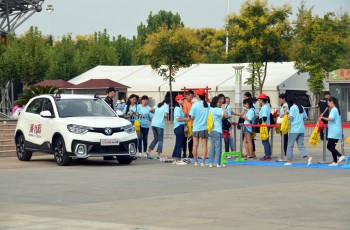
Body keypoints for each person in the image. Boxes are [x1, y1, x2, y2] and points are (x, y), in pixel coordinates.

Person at [284, 94, 312, 166]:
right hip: (301, 129)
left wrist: (286, 115)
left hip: (294, 129)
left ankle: (289, 161)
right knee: (300, 145)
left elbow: (291, 118)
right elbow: (305, 117)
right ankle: (308, 156)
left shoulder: (292, 108)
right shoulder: (301, 107)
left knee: (290, 145)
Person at [320, 97, 346, 166]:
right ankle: (335, 162)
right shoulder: (336, 109)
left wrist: (322, 117)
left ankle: (340, 155)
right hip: (336, 131)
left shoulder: (334, 110)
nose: (328, 104)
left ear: (331, 102)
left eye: (328, 103)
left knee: (329, 146)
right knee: (332, 147)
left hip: (334, 132)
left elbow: (331, 119)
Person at [189, 88, 210, 166]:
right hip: (205, 128)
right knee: (204, 145)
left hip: (196, 127)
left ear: (198, 96)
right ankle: (203, 162)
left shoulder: (194, 105)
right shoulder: (208, 105)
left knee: (195, 145)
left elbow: (191, 117)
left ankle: (196, 161)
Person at [209, 96, 227, 168]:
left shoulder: (211, 109)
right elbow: (225, 115)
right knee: (218, 147)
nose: (220, 104)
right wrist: (223, 107)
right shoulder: (217, 109)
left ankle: (211, 162)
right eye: (219, 102)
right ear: (215, 102)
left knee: (212, 146)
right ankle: (218, 163)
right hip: (217, 130)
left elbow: (221, 117)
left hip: (211, 129)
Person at [172, 95, 190, 164]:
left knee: (178, 142)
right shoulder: (177, 108)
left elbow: (181, 117)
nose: (183, 100)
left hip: (179, 127)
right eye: (181, 99)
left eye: (183, 99)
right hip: (179, 127)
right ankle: (178, 157)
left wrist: (186, 114)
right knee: (179, 143)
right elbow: (178, 119)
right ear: (177, 100)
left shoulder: (180, 108)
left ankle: (175, 155)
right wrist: (186, 119)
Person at [257, 93, 272, 161]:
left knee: (264, 140)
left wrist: (258, 120)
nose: (258, 101)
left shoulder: (265, 107)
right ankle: (268, 154)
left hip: (264, 126)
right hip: (265, 125)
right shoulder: (266, 106)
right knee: (265, 140)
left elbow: (264, 117)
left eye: (259, 99)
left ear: (261, 100)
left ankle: (267, 155)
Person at [182, 90, 194, 158]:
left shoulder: (193, 103)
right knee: (184, 139)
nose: (191, 98)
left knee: (191, 140)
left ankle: (190, 153)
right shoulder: (183, 103)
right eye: (190, 96)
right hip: (185, 123)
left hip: (192, 124)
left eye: (192, 97)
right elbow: (182, 114)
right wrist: (188, 113)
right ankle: (184, 153)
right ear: (186, 96)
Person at [278, 93, 289, 160]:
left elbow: (287, 112)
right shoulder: (284, 105)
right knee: (284, 139)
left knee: (284, 139)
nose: (279, 100)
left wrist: (281, 115)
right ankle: (285, 154)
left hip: (284, 124)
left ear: (284, 99)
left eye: (280, 99)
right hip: (283, 123)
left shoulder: (285, 105)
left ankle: (285, 155)